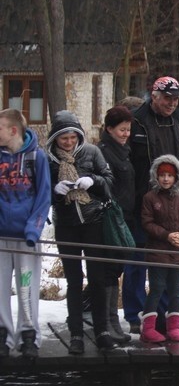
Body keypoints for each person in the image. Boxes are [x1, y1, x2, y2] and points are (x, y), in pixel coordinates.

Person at [126, 76, 179, 333]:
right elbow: (126, 162)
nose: (172, 103)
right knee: (138, 261)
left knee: (168, 263)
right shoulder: (137, 120)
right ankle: (135, 316)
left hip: (171, 205)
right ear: (154, 96)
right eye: (167, 98)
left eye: (176, 99)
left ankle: (164, 318)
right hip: (141, 203)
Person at [47, 110, 118, 354]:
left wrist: (93, 181)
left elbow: (109, 181)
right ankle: (76, 332)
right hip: (66, 226)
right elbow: (41, 194)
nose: (68, 142)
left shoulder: (92, 152)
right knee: (74, 280)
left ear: (79, 136)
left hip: (93, 222)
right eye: (63, 138)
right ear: (55, 138)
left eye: (72, 137)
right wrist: (54, 191)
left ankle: (102, 330)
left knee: (97, 278)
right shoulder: (48, 160)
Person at [0, 109, 51, 360]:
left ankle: (28, 334)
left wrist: (34, 228)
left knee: (25, 286)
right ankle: (3, 335)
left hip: (26, 236)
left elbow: (43, 197)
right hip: (1, 236)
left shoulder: (36, 157)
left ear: (12, 130)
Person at [140, 155, 179, 343]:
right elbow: (147, 222)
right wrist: (167, 235)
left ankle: (174, 326)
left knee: (176, 291)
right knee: (156, 288)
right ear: (156, 177)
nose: (165, 179)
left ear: (176, 178)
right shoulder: (150, 198)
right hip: (158, 251)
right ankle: (148, 328)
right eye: (162, 175)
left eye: (169, 175)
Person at [96, 105, 135, 344]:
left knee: (117, 268)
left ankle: (112, 319)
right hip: (111, 218)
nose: (126, 134)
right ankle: (107, 321)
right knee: (109, 269)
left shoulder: (123, 150)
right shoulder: (104, 153)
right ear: (109, 129)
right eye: (122, 129)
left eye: (128, 129)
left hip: (125, 217)